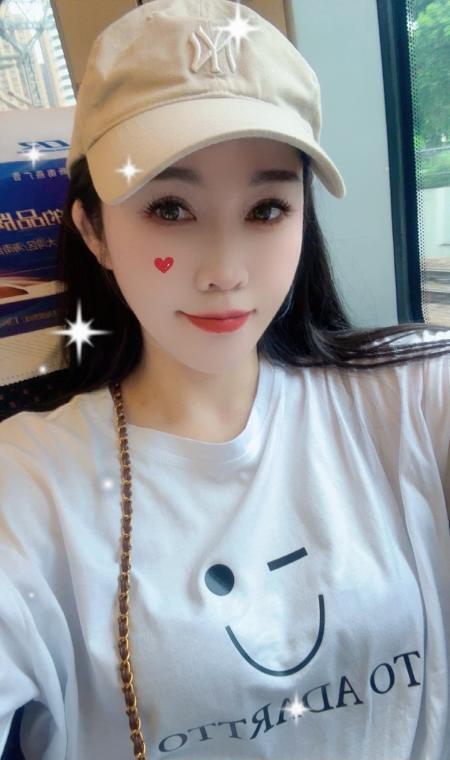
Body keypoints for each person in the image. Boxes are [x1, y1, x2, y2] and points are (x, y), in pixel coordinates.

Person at [0, 1, 449, 759]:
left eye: (266, 208)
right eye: (170, 208)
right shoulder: (29, 485)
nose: (225, 272)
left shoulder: (412, 397)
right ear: (94, 230)